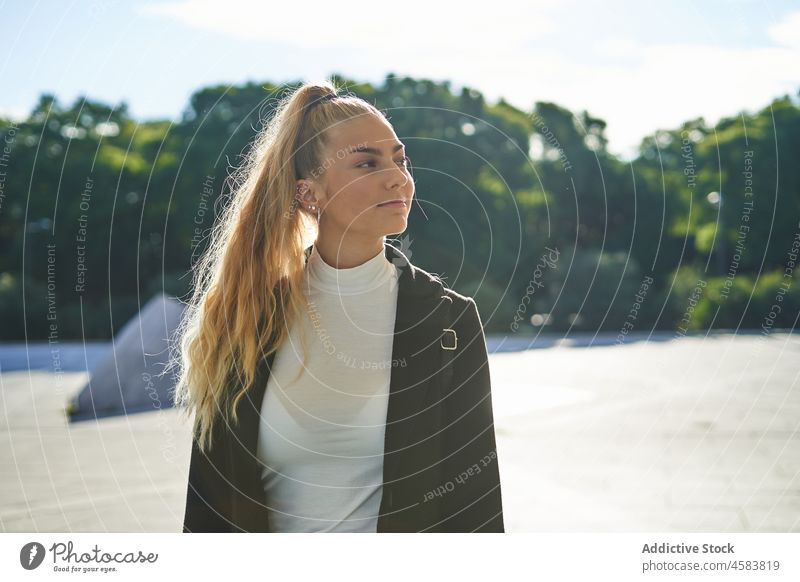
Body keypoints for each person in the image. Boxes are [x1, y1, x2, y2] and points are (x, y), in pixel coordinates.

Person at [172, 79, 504, 532]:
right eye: (367, 162)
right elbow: (208, 512)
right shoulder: (247, 320)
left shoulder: (448, 321)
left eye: (400, 159)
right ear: (309, 192)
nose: (398, 177)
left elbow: (475, 506)